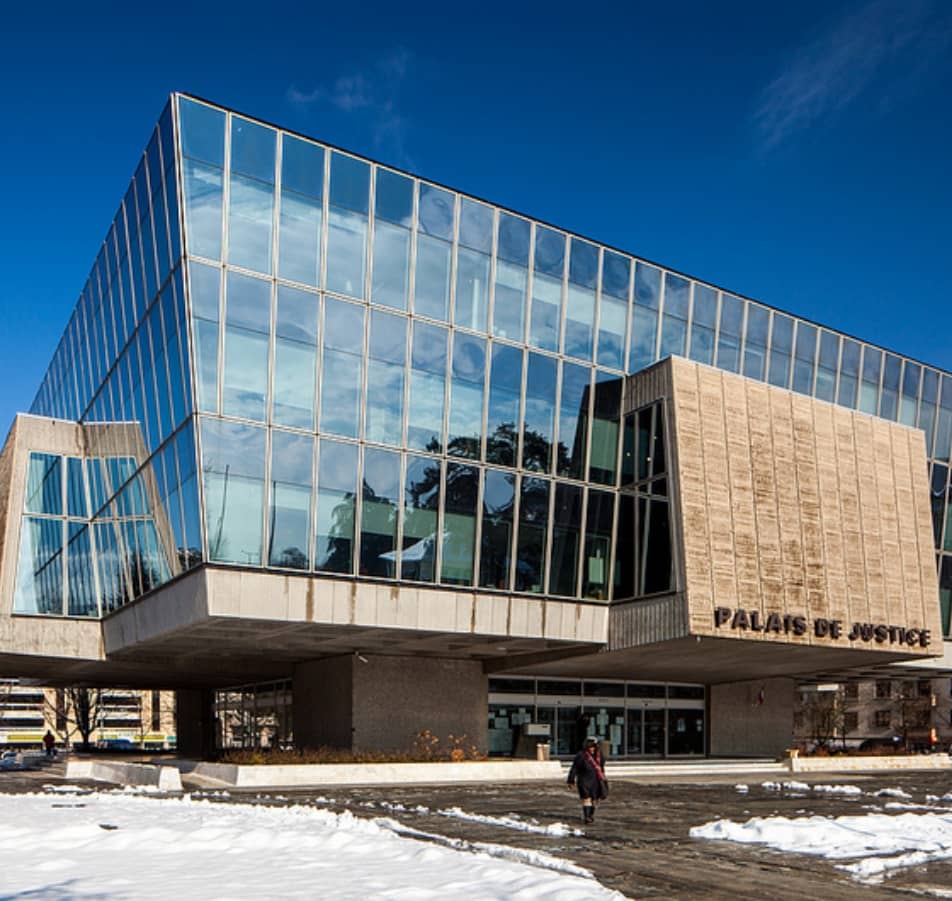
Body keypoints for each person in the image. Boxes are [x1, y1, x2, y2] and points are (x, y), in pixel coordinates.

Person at [567, 735, 608, 824]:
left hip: (596, 781)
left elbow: (601, 768)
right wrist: (571, 780)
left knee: (595, 800)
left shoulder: (600, 755)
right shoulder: (581, 755)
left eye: (593, 746)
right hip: (584, 780)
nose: (591, 748)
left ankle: (591, 815)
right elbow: (574, 768)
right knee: (586, 798)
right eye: (589, 746)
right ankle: (587, 817)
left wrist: (603, 779)